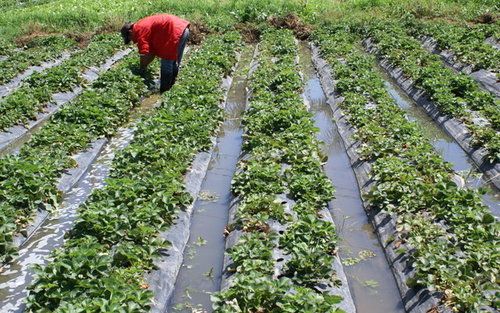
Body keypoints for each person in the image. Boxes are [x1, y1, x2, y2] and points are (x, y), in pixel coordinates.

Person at [121, 14, 190, 93]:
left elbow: (145, 54)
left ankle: (164, 91)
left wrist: (142, 68)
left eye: (129, 38)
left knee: (167, 63)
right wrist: (144, 65)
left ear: (130, 32)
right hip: (182, 29)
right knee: (174, 61)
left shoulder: (139, 31)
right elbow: (151, 54)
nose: (132, 41)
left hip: (174, 31)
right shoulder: (140, 26)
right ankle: (171, 87)